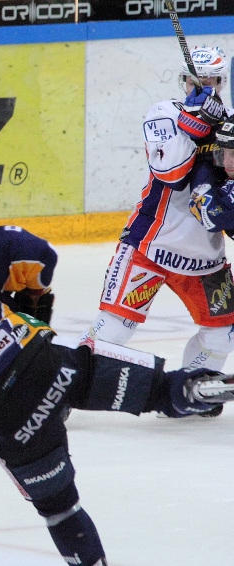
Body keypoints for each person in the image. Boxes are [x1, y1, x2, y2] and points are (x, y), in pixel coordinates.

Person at [0, 225, 234, 566]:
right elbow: (31, 249)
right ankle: (197, 389)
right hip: (46, 366)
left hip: (11, 420)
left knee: (61, 511)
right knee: (157, 389)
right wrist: (31, 304)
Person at [83, 45, 234, 382]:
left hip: (204, 257)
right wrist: (191, 126)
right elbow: (169, 174)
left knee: (223, 335)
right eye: (199, 79)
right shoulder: (163, 113)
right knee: (114, 330)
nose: (204, 85)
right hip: (150, 246)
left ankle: (190, 387)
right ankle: (65, 382)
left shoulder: (231, 124)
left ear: (221, 82)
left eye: (212, 80)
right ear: (186, 80)